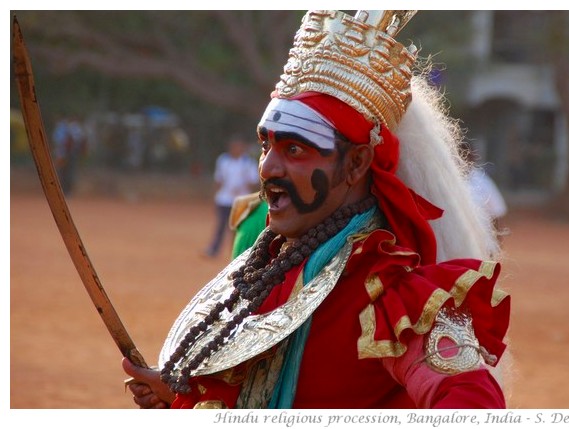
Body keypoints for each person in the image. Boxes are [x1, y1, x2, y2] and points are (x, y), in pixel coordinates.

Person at [123, 10, 510, 409]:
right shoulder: (273, 263)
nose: (269, 168)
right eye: (266, 145)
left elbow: (469, 401)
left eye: (295, 149)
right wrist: (184, 397)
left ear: (357, 163)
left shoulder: (389, 294)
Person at [203, 135, 260, 257]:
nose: (236, 149)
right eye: (234, 147)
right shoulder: (223, 160)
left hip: (240, 201)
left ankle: (236, 253)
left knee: (238, 229)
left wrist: (245, 183)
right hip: (224, 199)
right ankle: (214, 249)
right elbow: (218, 179)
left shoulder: (248, 163)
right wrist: (215, 196)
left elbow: (255, 182)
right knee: (221, 226)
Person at [52, 115, 87, 196]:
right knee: (62, 172)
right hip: (62, 153)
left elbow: (80, 141)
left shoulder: (73, 127)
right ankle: (61, 190)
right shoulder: (63, 127)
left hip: (69, 153)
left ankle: (66, 191)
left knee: (68, 172)